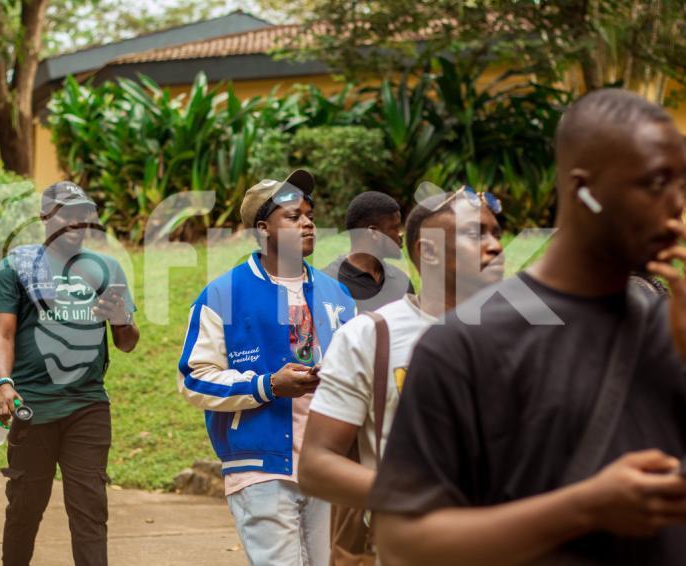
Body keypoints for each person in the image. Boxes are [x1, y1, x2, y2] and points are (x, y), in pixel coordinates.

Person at [370, 89, 686, 565]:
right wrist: (584, 508)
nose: (676, 207)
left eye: (683, 186)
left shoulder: (669, 326)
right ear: (585, 191)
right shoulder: (464, 345)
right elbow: (403, 541)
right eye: (656, 184)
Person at [177, 169, 357, 565]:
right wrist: (266, 385)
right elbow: (194, 379)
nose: (307, 222)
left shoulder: (337, 294)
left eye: (309, 214)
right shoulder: (224, 293)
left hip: (328, 462)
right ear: (263, 229)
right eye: (293, 217)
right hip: (261, 467)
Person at [300, 187, 504, 511]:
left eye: (496, 233)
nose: (495, 246)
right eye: (475, 234)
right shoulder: (368, 336)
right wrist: (420, 499)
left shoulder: (524, 337)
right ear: (430, 252)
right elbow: (316, 465)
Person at [0, 181, 139, 566]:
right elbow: (3, 334)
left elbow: (126, 342)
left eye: (83, 213)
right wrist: (4, 384)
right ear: (45, 217)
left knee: (90, 510)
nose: (77, 221)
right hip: (32, 406)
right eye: (67, 213)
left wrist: (119, 317)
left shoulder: (106, 268)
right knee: (25, 508)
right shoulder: (16, 266)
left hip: (87, 406)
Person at [323, 191, 414, 312]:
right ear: (373, 232)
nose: (401, 233)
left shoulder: (402, 282)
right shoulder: (325, 284)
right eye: (395, 227)